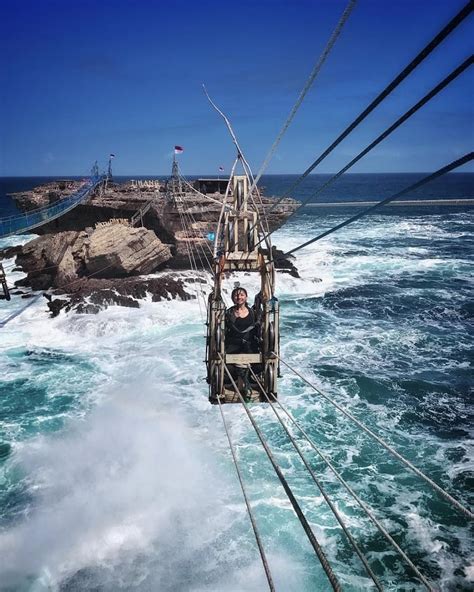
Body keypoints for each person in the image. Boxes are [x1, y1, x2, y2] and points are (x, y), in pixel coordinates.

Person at [225, 287, 260, 400]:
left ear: (246, 297)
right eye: (236, 295)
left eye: (241, 295)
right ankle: (237, 380)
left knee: (259, 364)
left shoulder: (252, 313)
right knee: (227, 366)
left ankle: (249, 379)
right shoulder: (228, 313)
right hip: (233, 345)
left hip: (249, 344)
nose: (239, 297)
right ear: (232, 298)